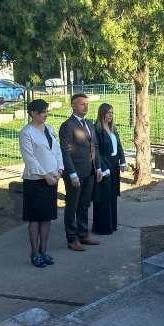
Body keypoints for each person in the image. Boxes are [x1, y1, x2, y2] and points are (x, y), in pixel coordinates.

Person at [19, 99, 63, 268]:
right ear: (33, 113)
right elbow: (29, 158)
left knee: (47, 218)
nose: (45, 114)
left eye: (46, 111)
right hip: (35, 181)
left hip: (52, 178)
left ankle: (44, 251)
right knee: (35, 219)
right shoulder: (26, 132)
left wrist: (60, 170)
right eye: (42, 112)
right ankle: (35, 253)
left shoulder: (49, 129)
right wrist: (45, 176)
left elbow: (57, 150)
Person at [59, 94, 105, 251]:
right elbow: (65, 152)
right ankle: (72, 239)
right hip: (75, 173)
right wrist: (72, 174)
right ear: (73, 106)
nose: (86, 107)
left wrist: (98, 167)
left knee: (84, 204)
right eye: (82, 104)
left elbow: (94, 147)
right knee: (72, 206)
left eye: (87, 104)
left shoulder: (89, 124)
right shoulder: (67, 126)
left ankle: (83, 234)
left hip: (90, 171)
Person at [93, 103, 128, 235]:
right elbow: (96, 151)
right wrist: (102, 167)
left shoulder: (113, 128)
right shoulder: (97, 129)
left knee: (113, 195)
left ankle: (112, 224)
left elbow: (119, 146)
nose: (110, 115)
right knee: (104, 196)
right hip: (104, 165)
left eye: (112, 113)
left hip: (114, 165)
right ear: (102, 113)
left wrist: (122, 161)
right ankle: (103, 227)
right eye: (108, 113)